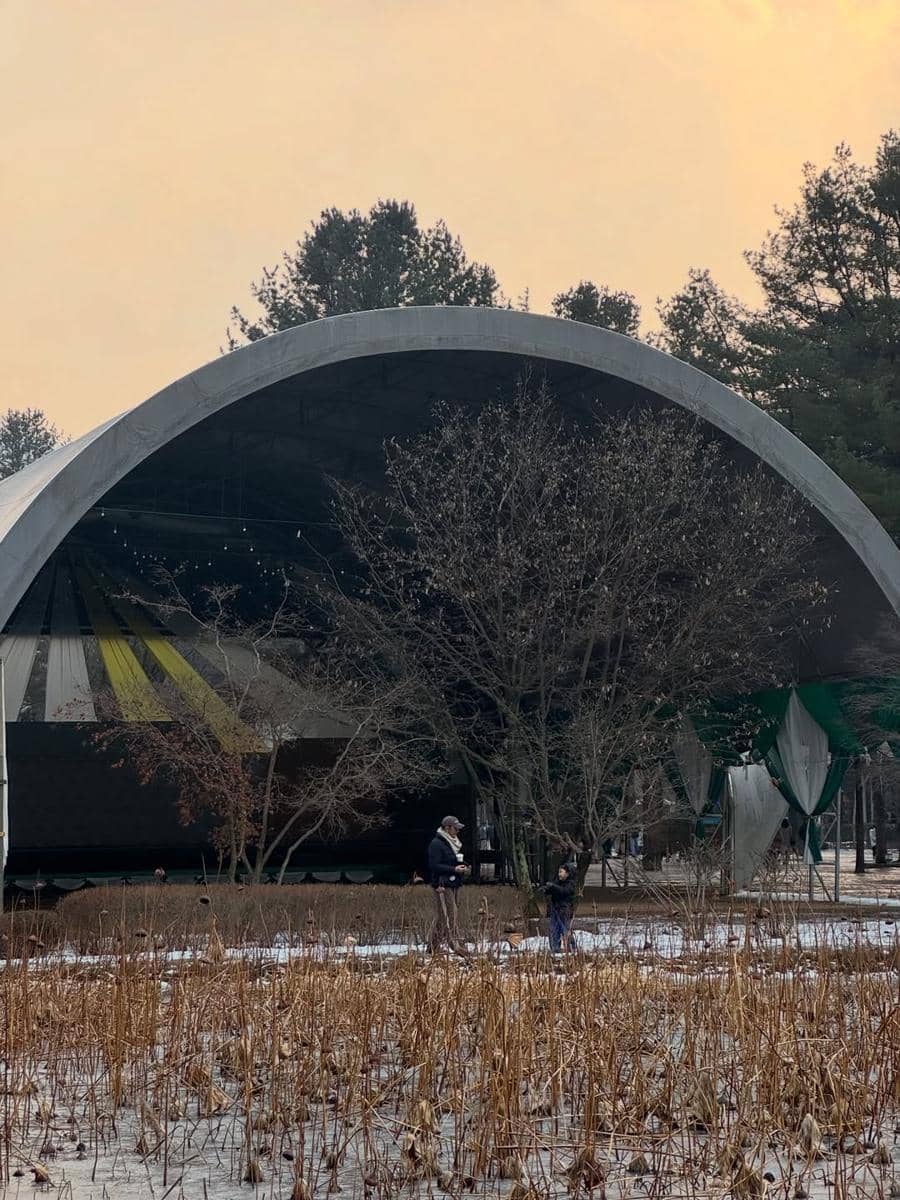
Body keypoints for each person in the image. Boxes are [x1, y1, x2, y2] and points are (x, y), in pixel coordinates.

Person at [427, 815, 469, 953]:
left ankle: (432, 947)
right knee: (450, 914)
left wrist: (463, 866)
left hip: (453, 883)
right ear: (447, 828)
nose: (458, 831)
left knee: (442, 916)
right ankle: (454, 944)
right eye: (455, 828)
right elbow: (434, 866)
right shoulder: (436, 844)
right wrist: (454, 869)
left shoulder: (452, 843)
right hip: (442, 885)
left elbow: (451, 861)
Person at [543, 862, 576, 953]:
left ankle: (571, 947)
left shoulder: (570, 884)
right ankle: (555, 948)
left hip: (563, 909)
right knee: (554, 929)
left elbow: (564, 891)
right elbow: (555, 890)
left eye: (561, 872)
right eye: (559, 872)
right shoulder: (558, 882)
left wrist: (553, 887)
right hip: (555, 908)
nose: (559, 874)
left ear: (567, 874)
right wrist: (547, 890)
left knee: (565, 928)